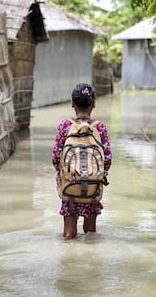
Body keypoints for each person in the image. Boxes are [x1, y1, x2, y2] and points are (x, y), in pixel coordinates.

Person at [52, 83, 112, 239]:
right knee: (90, 233)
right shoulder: (100, 128)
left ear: (72, 102)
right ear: (94, 104)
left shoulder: (65, 126)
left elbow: (56, 158)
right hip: (93, 186)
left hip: (69, 184)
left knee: (69, 234)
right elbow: (107, 160)